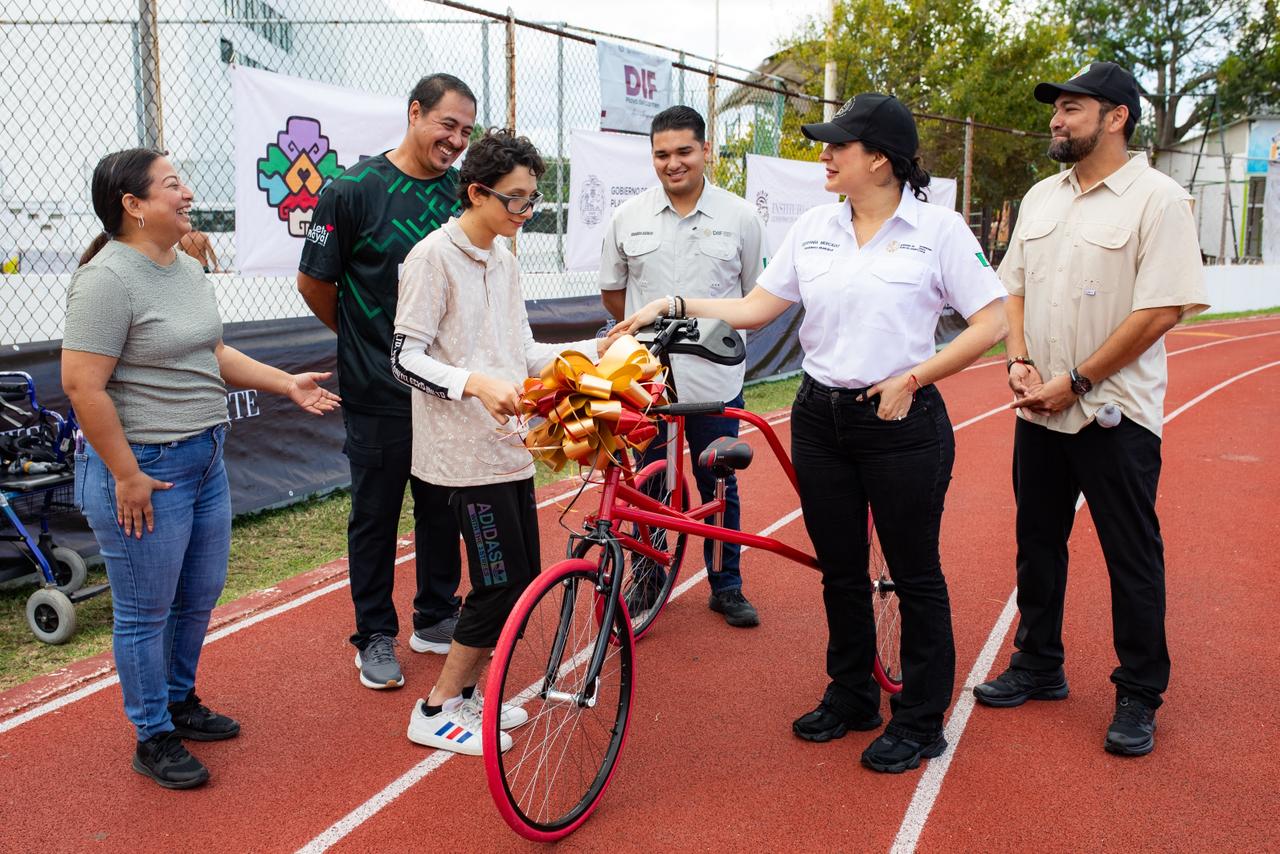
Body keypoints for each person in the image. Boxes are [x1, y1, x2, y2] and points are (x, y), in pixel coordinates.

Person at [612, 93, 1007, 773]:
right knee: (840, 568)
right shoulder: (816, 226)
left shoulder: (938, 230)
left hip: (901, 421)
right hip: (821, 418)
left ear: (879, 159)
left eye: (837, 146)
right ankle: (852, 693)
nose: (823, 156)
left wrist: (915, 378)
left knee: (914, 573)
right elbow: (756, 308)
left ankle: (919, 721)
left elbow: (992, 320)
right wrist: (671, 304)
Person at [63, 148, 340, 789]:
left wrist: (285, 383)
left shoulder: (185, 266)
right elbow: (82, 386)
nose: (187, 193)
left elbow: (212, 352)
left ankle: (178, 701)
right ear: (133, 205)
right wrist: (126, 474)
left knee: (198, 594)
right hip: (146, 470)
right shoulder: (106, 281)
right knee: (145, 612)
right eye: (172, 184)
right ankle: (153, 735)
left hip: (205, 457)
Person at [973, 62, 1208, 756]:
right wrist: (1018, 361)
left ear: (1116, 117)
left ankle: (1139, 691)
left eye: (1072, 108)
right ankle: (1038, 663)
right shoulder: (1041, 197)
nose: (1056, 119)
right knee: (1037, 541)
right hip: (1039, 407)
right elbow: (1013, 288)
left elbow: (1160, 310)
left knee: (1130, 554)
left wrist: (1075, 381)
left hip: (1114, 412)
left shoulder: (1158, 200)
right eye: (1056, 109)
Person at [392, 129, 608, 755]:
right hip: (460, 460)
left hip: (510, 451)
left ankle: (465, 697)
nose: (526, 211)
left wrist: (598, 349)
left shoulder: (507, 260)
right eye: (516, 199)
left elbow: (523, 354)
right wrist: (473, 383)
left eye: (533, 199)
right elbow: (403, 358)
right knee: (497, 585)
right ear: (477, 193)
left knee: (520, 579)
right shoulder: (432, 258)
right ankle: (435, 708)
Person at [297, 74, 476, 690]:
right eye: (447, 124)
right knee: (375, 516)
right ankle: (374, 633)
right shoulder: (351, 190)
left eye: (466, 131)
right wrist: (364, 337)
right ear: (415, 113)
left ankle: (435, 616)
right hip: (376, 389)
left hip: (443, 389)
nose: (456, 140)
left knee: (442, 508)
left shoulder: (463, 194)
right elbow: (315, 282)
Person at [599, 105, 767, 628]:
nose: (673, 163)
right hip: (646, 382)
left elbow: (753, 298)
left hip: (714, 380)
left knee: (718, 481)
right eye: (661, 154)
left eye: (684, 152)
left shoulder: (741, 217)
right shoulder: (627, 217)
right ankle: (648, 579)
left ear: (705, 150)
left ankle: (726, 585)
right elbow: (614, 294)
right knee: (646, 484)